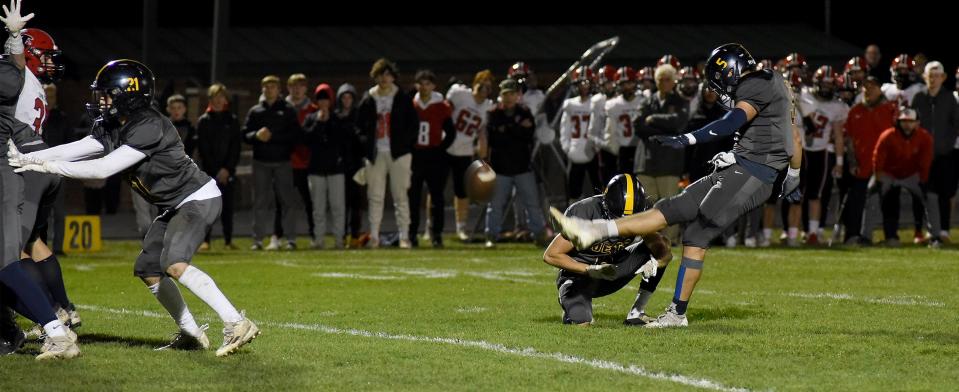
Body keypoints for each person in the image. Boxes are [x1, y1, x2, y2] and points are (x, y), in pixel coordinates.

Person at [13, 59, 259, 356]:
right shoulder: (115, 123)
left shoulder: (149, 124)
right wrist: (30, 157)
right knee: (148, 268)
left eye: (107, 94)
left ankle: (236, 322)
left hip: (196, 198)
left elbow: (103, 169)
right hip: (173, 204)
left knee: (175, 263)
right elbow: (82, 147)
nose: (101, 101)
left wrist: (47, 166)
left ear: (126, 95)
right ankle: (191, 332)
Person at [550, 43, 803, 327]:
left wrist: (689, 138)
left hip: (753, 173)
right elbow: (792, 137)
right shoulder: (774, 82)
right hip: (741, 165)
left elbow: (734, 120)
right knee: (672, 206)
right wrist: (793, 176)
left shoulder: (755, 83)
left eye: (718, 80)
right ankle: (594, 230)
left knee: (696, 233)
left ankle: (676, 314)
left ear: (730, 70)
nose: (719, 89)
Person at [0, 2, 79, 359]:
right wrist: (15, 38)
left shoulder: (19, 81)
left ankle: (50, 324)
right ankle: (61, 311)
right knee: (33, 243)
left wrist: (14, 38)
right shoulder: (30, 82)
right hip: (40, 162)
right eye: (44, 56)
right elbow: (14, 67)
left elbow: (12, 72)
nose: (49, 63)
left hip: (20, 164)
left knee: (8, 256)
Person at [543, 174, 672, 326]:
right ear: (605, 204)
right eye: (616, 218)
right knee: (581, 321)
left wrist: (658, 258)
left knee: (661, 248)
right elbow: (551, 255)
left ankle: (637, 313)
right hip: (580, 276)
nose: (622, 224)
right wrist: (589, 269)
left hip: (613, 271)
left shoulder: (642, 210)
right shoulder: (586, 211)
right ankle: (571, 304)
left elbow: (661, 248)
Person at [356, 58, 418, 248]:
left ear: (393, 77)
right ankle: (374, 235)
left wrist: (404, 145)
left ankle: (404, 236)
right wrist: (367, 145)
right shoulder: (368, 98)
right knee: (375, 196)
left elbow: (413, 125)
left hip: (398, 153)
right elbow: (359, 127)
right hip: (376, 153)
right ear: (375, 77)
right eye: (381, 75)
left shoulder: (402, 98)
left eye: (388, 74)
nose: (384, 78)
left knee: (401, 196)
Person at [485, 79, 545, 248]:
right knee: (495, 204)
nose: (509, 97)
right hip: (500, 167)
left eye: (512, 93)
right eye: (506, 94)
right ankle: (491, 235)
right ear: (501, 95)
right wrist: (516, 128)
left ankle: (539, 233)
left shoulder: (525, 112)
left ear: (517, 95)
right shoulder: (493, 113)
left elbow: (528, 135)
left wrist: (507, 129)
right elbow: (495, 139)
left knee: (532, 203)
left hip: (522, 166)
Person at [244, 75, 303, 250]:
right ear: (262, 89)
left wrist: (273, 137)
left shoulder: (288, 109)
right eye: (266, 87)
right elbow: (244, 134)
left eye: (273, 87)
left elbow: (295, 135)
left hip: (282, 162)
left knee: (287, 201)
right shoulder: (255, 111)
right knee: (260, 202)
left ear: (279, 90)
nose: (269, 90)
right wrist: (256, 135)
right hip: (261, 162)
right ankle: (258, 240)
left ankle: (291, 239)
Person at [842, 76, 897, 245]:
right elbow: (849, 139)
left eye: (872, 87)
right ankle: (853, 235)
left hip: (885, 166)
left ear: (880, 89)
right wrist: (852, 162)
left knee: (889, 201)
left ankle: (891, 236)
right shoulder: (855, 111)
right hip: (862, 165)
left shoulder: (891, 109)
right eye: (865, 87)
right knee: (856, 203)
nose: (868, 90)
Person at [911, 61, 959, 246]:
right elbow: (911, 124)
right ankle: (921, 230)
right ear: (925, 77)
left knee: (944, 193)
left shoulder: (949, 98)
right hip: (922, 155)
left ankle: (943, 230)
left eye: (937, 75)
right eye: (930, 75)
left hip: (943, 154)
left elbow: (956, 124)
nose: (933, 79)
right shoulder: (919, 97)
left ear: (943, 77)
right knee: (921, 193)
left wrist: (946, 144)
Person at [871, 108, 933, 246]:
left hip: (912, 174)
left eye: (910, 121)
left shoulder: (924, 137)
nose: (907, 125)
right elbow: (877, 157)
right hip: (889, 173)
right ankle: (886, 235)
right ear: (898, 122)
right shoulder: (887, 135)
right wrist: (878, 177)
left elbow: (926, 160)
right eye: (904, 121)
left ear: (917, 123)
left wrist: (923, 179)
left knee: (926, 197)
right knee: (880, 198)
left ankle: (929, 233)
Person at [445, 70, 495, 241]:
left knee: (462, 191)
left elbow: (482, 134)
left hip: (465, 152)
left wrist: (483, 157)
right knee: (436, 189)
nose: (483, 88)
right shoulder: (460, 94)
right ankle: (431, 227)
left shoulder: (488, 107)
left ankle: (461, 228)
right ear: (474, 83)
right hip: (444, 146)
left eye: (488, 86)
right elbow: (443, 112)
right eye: (481, 83)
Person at [408, 70, 455, 247]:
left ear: (433, 86)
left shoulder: (441, 105)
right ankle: (412, 233)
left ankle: (437, 234)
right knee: (413, 197)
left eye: (428, 83)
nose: (424, 87)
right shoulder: (412, 104)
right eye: (421, 83)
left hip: (435, 155)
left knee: (437, 197)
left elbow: (451, 132)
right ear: (416, 85)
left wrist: (440, 149)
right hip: (416, 155)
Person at [304, 83, 350, 249]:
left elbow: (341, 140)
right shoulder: (310, 119)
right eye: (320, 99)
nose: (323, 103)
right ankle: (319, 239)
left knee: (338, 207)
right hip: (316, 169)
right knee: (318, 208)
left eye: (326, 99)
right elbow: (306, 140)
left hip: (335, 169)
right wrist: (318, 122)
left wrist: (328, 121)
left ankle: (339, 239)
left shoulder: (337, 119)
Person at [196, 83, 241, 250]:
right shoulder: (203, 121)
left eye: (221, 97)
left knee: (228, 207)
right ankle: (205, 240)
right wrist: (215, 170)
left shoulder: (233, 120)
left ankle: (228, 240)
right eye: (214, 97)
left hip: (227, 172)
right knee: (208, 208)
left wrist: (227, 169)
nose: (218, 100)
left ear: (225, 99)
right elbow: (204, 149)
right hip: (209, 172)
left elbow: (235, 147)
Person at [560, 66, 600, 202]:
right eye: (580, 83)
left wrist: (599, 146)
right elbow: (564, 128)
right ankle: (574, 217)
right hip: (575, 148)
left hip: (594, 149)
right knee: (574, 188)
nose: (583, 86)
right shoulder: (570, 104)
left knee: (598, 186)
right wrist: (567, 148)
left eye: (586, 82)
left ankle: (603, 215)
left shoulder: (597, 101)